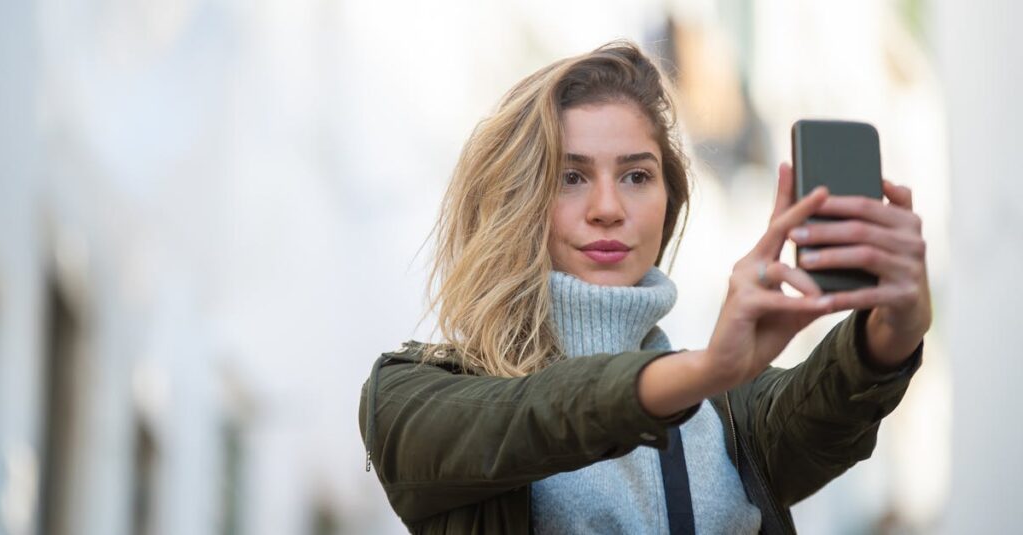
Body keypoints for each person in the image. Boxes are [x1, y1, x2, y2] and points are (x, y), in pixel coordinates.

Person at [358, 40, 930, 535]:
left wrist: (891, 333)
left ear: (668, 202)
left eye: (636, 176)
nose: (608, 208)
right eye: (570, 176)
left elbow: (826, 404)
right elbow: (537, 414)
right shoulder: (409, 396)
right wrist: (703, 370)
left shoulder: (731, 412)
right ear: (518, 199)